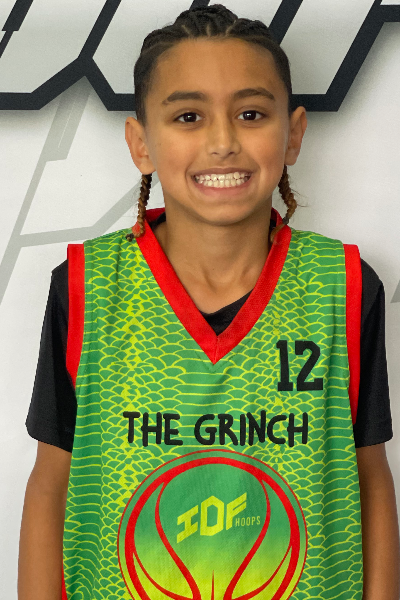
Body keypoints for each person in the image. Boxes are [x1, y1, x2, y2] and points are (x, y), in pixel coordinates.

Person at [18, 5, 399, 600]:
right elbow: (51, 483)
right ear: (141, 143)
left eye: (251, 114)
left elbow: (369, 477)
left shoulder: (342, 285)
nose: (223, 142)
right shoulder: (87, 287)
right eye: (189, 116)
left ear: (293, 133)